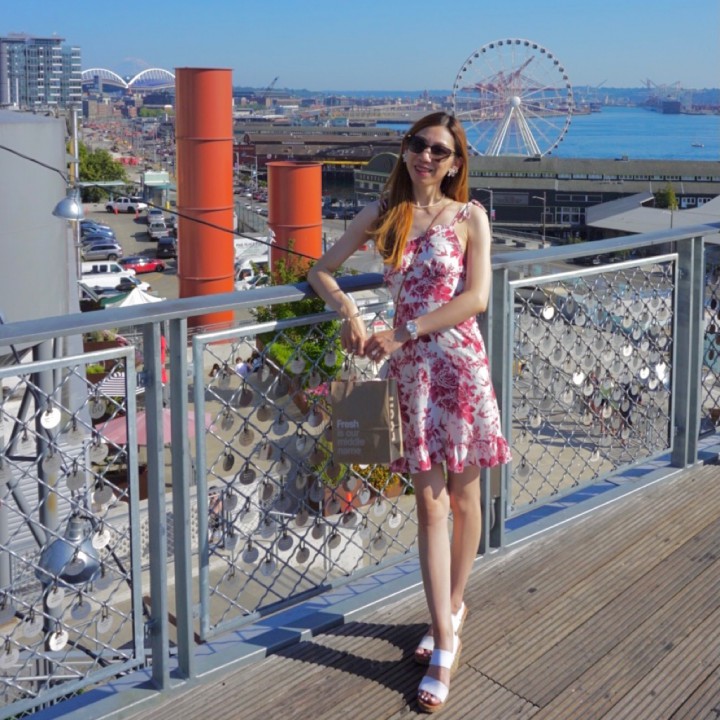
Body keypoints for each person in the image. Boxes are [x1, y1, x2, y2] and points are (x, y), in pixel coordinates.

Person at [308, 111, 511, 713]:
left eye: (439, 151)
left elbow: (477, 298)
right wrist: (349, 312)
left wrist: (403, 331)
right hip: (413, 379)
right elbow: (321, 270)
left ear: (455, 163)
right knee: (429, 505)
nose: (426, 156)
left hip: (459, 368)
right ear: (404, 150)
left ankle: (453, 606)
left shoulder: (470, 217)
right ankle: (445, 637)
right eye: (418, 145)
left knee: (466, 500)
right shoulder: (384, 213)